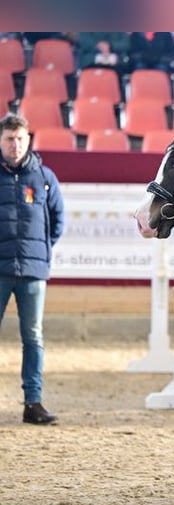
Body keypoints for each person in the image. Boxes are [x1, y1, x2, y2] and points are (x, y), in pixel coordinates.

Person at [0, 113, 65, 425]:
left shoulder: (44, 177)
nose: (15, 145)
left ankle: (33, 403)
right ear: (1, 141)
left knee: (33, 337)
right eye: (10, 139)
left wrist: (40, 253)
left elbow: (58, 221)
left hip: (33, 271)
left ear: (29, 141)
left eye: (20, 139)